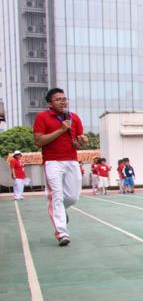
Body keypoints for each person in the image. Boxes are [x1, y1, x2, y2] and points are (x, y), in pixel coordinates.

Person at [33, 87, 88, 246]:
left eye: (64, 99)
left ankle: (60, 210)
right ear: (50, 104)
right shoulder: (42, 117)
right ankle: (62, 233)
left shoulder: (74, 118)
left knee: (73, 197)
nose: (63, 102)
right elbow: (39, 141)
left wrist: (81, 141)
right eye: (58, 99)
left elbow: (77, 141)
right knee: (56, 195)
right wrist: (61, 129)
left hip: (71, 160)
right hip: (52, 162)